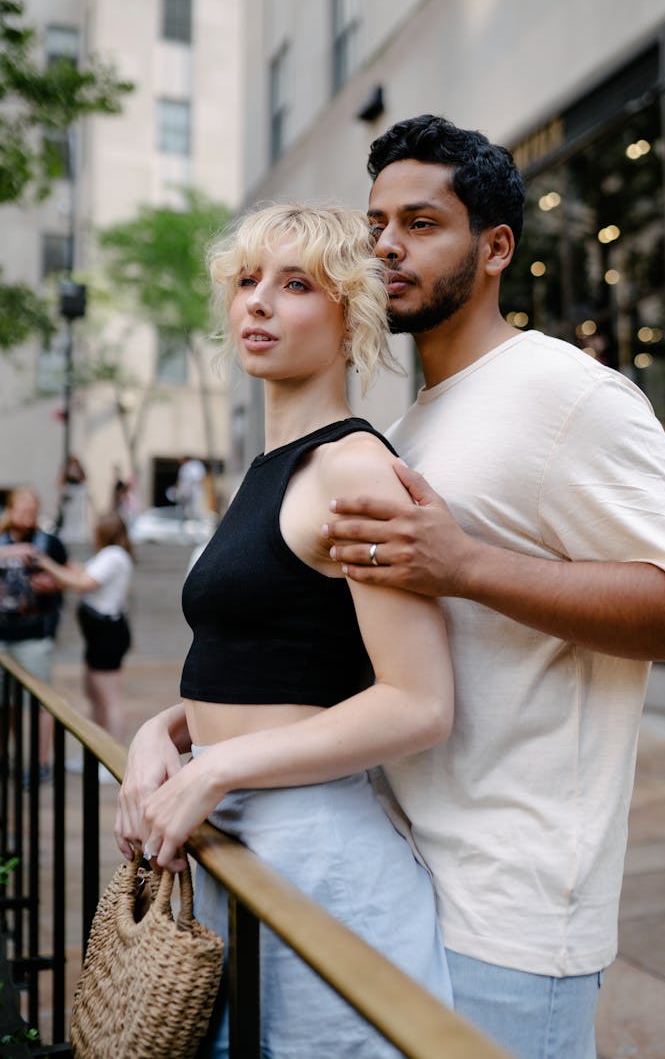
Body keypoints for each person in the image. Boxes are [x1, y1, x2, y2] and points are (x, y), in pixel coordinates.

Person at [320, 115, 665, 1059]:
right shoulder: (415, 422)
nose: (386, 245)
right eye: (376, 222)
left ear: (496, 246)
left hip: (514, 916)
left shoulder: (565, 392)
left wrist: (467, 565)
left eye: (421, 223)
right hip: (405, 878)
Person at [114, 203, 454, 1057]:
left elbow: (418, 703)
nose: (257, 302)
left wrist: (216, 766)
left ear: (350, 316)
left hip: (321, 866)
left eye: (296, 283)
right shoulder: (273, 469)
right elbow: (272, 658)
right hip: (238, 842)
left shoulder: (354, 469)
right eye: (247, 280)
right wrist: (167, 730)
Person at [32, 511, 133, 747]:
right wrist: (62, 570)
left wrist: (47, 565)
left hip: (107, 634)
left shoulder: (113, 555)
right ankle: (97, 751)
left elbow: (83, 583)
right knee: (94, 694)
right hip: (97, 634)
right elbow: (81, 573)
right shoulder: (107, 555)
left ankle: (114, 755)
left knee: (109, 699)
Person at [0, 487, 68, 781]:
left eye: (32, 510)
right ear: (10, 510)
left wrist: (52, 583)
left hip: (34, 634)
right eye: (22, 510)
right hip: (3, 635)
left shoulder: (48, 543)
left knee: (40, 703)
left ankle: (40, 763)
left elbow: (69, 576)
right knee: (5, 703)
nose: (27, 516)